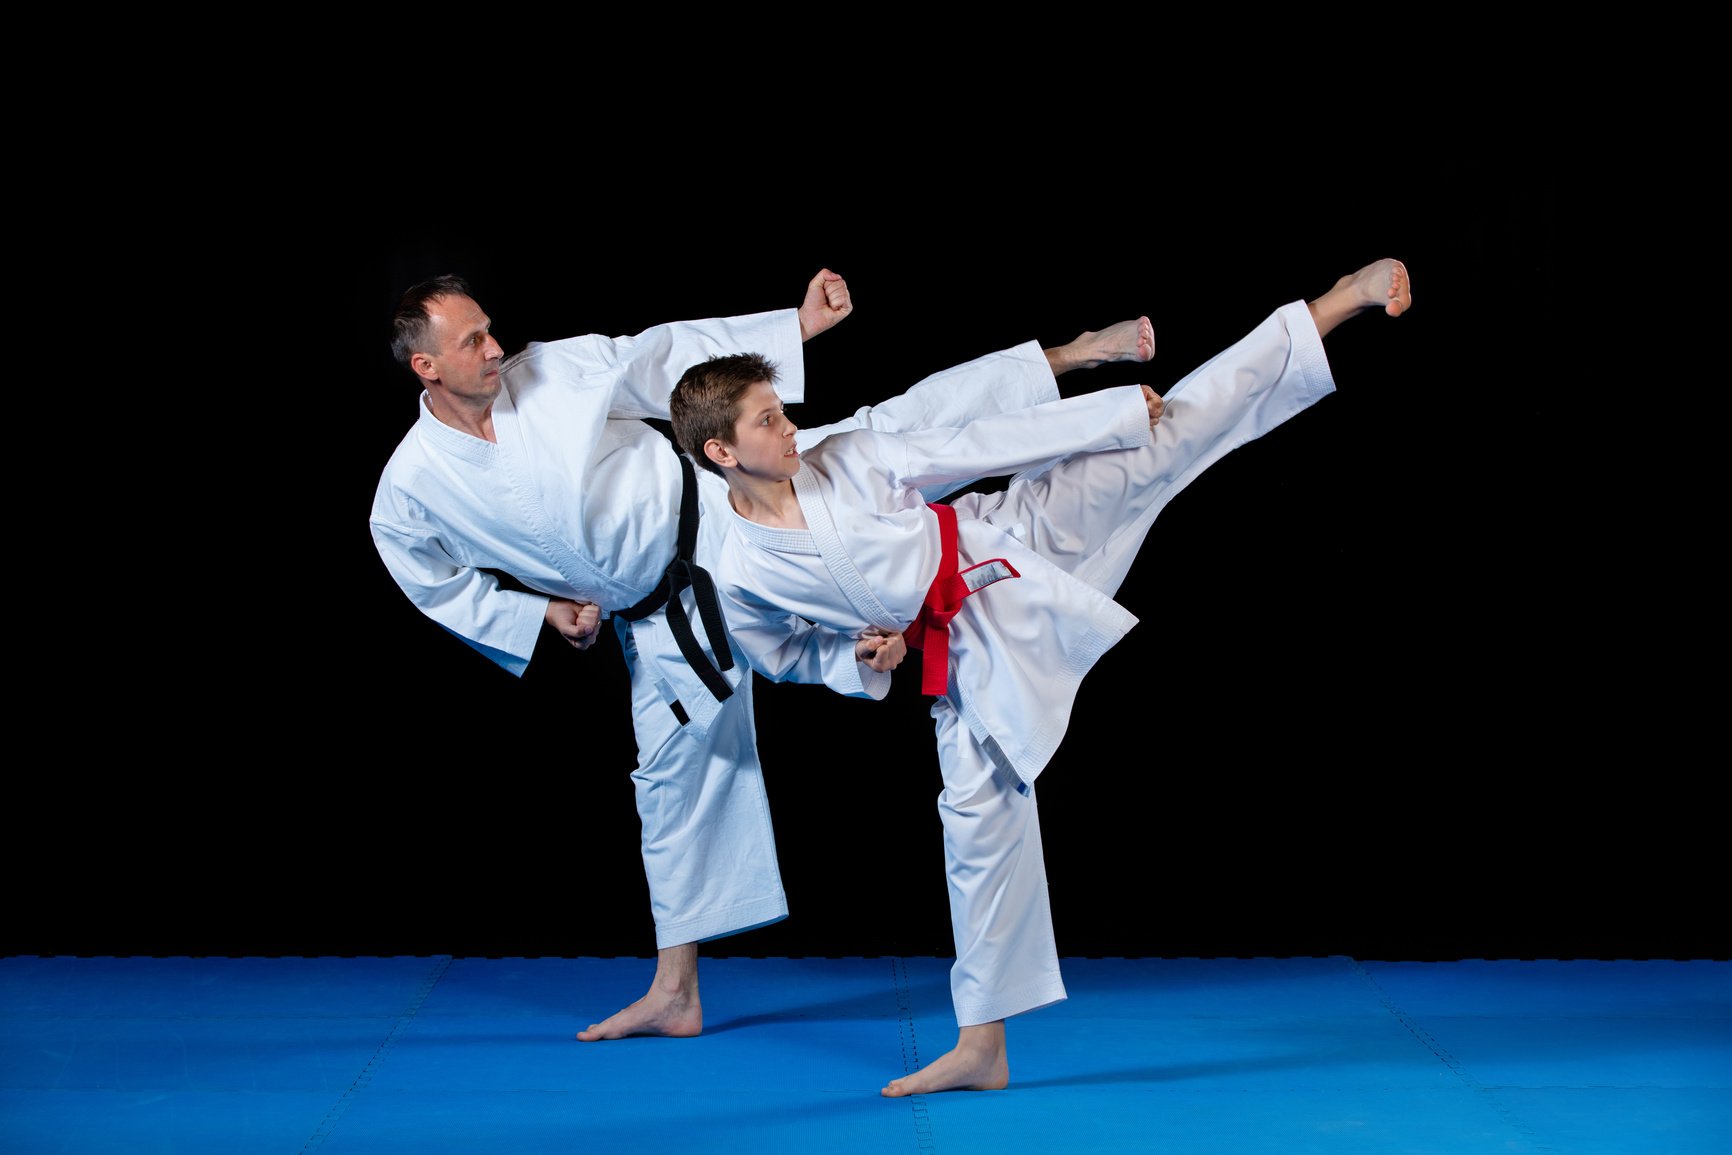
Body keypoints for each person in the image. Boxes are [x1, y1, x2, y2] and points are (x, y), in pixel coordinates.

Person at [667, 258, 1412, 1096]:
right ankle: (982, 1044)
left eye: (785, 410)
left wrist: (1111, 413)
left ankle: (1328, 306)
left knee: (1163, 441)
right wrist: (854, 658)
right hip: (960, 648)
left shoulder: (850, 456)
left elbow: (972, 445)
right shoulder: (738, 572)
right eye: (769, 422)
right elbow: (780, 652)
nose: (791, 428)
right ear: (721, 449)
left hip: (1006, 542)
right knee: (976, 824)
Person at [369, 267, 1161, 1044]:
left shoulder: (551, 371)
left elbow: (665, 352)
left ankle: (1067, 358)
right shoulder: (413, 484)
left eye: (488, 328)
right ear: (426, 366)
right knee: (669, 783)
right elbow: (423, 571)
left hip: (724, 507)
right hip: (657, 615)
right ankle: (676, 992)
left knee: (897, 425)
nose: (495, 345)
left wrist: (796, 327)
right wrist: (536, 609)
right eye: (473, 340)